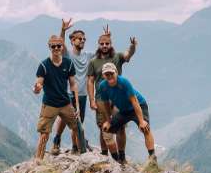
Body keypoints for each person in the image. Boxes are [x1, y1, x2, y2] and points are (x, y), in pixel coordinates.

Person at [87, 25, 137, 154]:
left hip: (118, 97)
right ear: (98, 45)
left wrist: (132, 47)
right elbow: (90, 81)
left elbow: (128, 55)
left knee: (120, 127)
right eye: (102, 43)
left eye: (107, 43)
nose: (104, 45)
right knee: (103, 127)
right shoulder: (93, 62)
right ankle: (104, 154)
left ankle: (121, 156)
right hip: (100, 98)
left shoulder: (117, 57)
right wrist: (92, 100)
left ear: (111, 44)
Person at [98, 62, 156, 165]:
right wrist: (108, 121)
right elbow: (106, 104)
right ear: (103, 75)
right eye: (107, 74)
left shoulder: (124, 82)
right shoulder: (103, 86)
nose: (110, 76)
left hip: (138, 105)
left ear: (116, 73)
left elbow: (134, 101)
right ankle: (121, 159)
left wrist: (142, 121)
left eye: (111, 73)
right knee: (108, 129)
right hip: (124, 110)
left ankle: (152, 159)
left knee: (145, 128)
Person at [33, 35, 80, 160]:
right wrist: (36, 88)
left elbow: (73, 84)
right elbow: (38, 85)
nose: (56, 48)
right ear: (49, 47)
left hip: (65, 103)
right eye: (53, 46)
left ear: (62, 47)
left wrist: (77, 105)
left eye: (59, 46)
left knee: (78, 127)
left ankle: (80, 153)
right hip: (49, 104)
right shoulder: (43, 65)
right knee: (44, 134)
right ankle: (38, 161)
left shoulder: (68, 64)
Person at [50, 18, 93, 155]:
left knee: (76, 120)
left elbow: (103, 51)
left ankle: (73, 144)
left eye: (84, 39)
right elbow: (60, 44)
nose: (82, 41)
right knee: (70, 120)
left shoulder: (87, 56)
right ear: (72, 41)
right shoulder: (68, 54)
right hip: (68, 93)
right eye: (79, 39)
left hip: (83, 95)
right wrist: (63, 30)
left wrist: (108, 39)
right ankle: (71, 145)